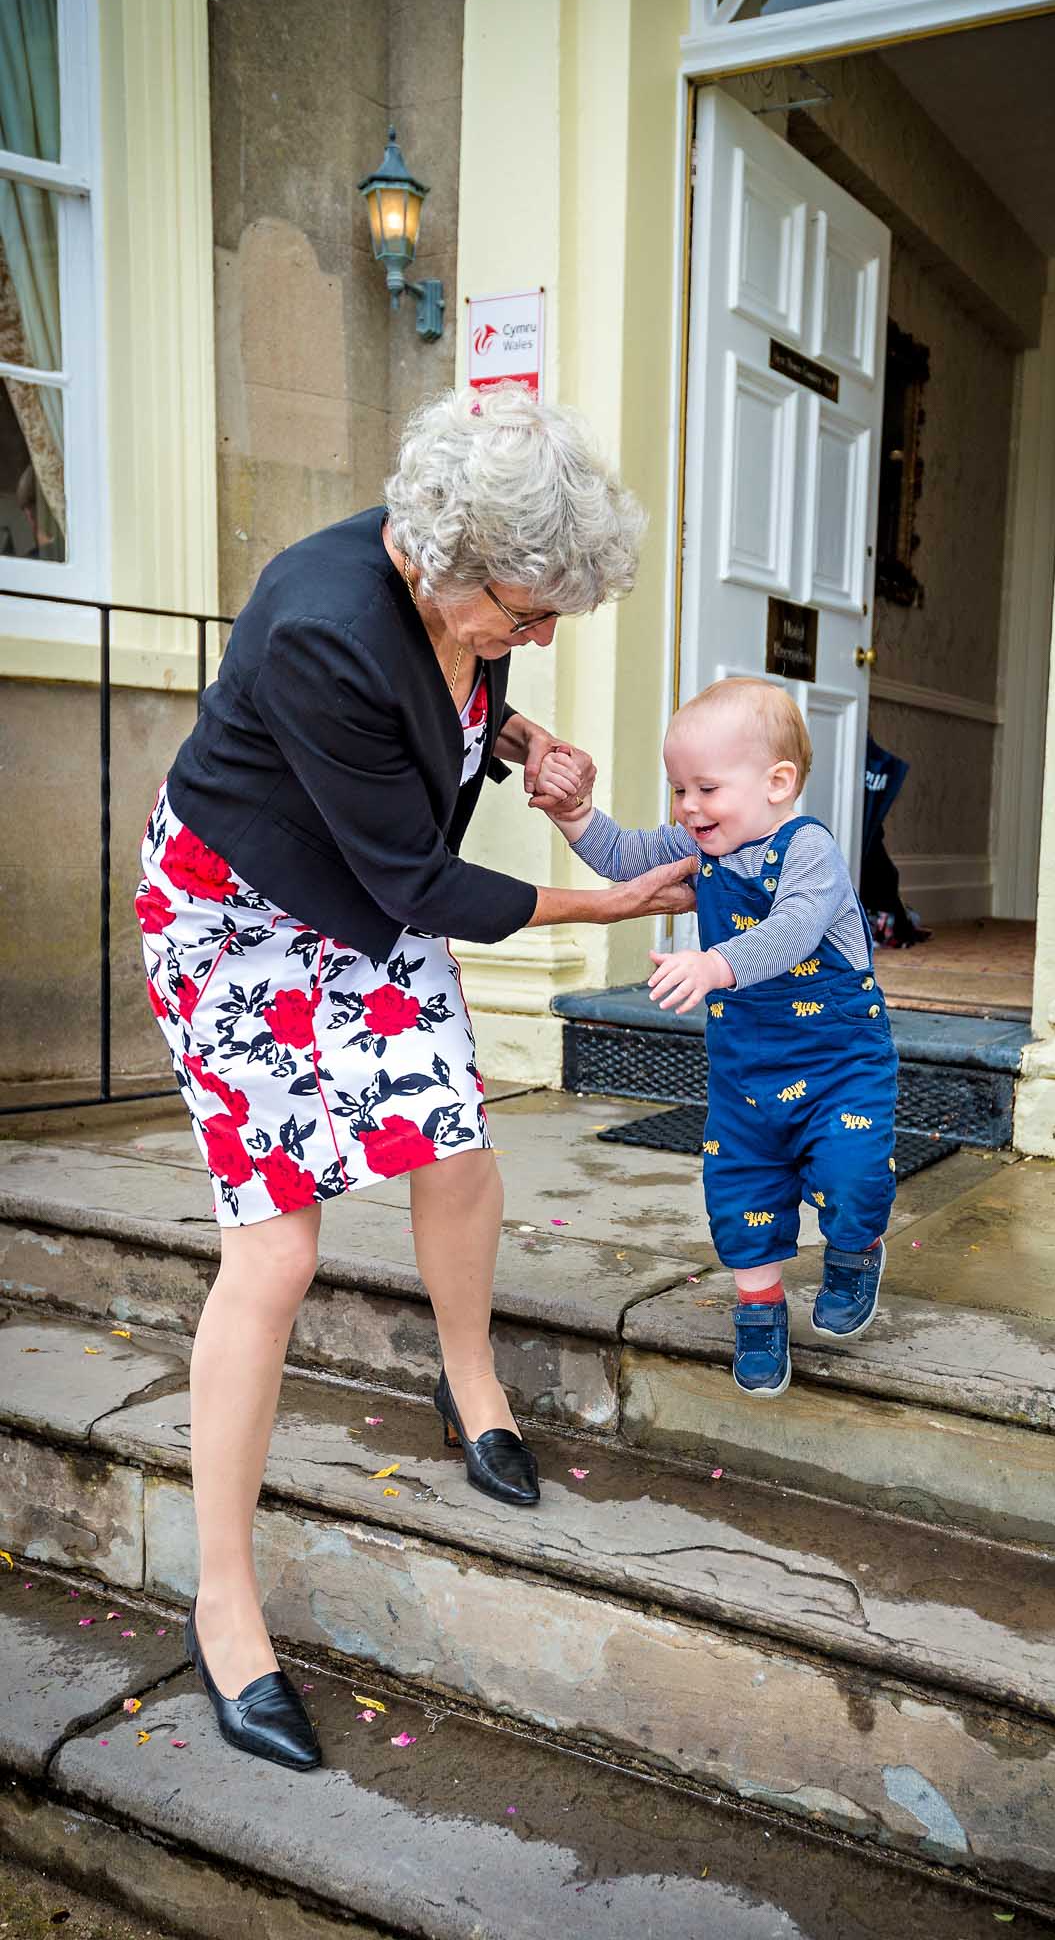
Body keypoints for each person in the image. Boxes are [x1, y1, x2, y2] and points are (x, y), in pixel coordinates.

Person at [135, 386, 695, 1772]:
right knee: (275, 1250)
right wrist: (606, 910)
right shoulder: (325, 619)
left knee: (454, 1149)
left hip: (361, 899)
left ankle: (470, 1385)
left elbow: (444, 697)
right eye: (524, 608)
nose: (537, 634)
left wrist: (516, 743)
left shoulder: (462, 598)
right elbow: (419, 879)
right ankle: (224, 1605)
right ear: (445, 556)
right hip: (238, 921)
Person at [539, 677, 898, 1401]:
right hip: (746, 1069)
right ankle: (759, 1308)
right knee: (740, 1189)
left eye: (705, 787)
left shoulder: (808, 850)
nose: (687, 808)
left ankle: (855, 1253)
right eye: (678, 790)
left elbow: (793, 928)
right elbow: (621, 855)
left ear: (777, 782)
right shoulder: (701, 842)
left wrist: (714, 963)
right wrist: (575, 815)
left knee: (852, 1173)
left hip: (838, 1062)